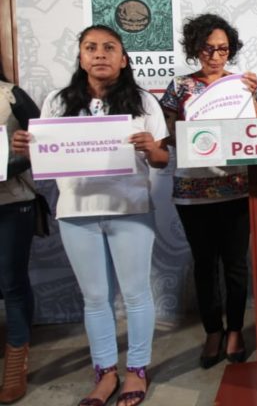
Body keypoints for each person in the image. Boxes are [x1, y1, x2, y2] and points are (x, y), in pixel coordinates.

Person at [12, 25, 168, 406]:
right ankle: (105, 374)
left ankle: (137, 370)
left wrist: (151, 148)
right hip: (76, 211)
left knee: (136, 294)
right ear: (81, 57)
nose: (100, 54)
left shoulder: (144, 102)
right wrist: (29, 150)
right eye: (91, 47)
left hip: (130, 209)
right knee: (95, 298)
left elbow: (163, 160)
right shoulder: (57, 102)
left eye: (109, 48)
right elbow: (45, 158)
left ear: (124, 59)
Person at [160, 14, 257, 369]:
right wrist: (197, 132)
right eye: (208, 49)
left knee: (236, 264)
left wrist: (253, 97)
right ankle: (212, 331)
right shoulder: (179, 86)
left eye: (223, 49)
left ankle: (235, 330)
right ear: (195, 48)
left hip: (236, 186)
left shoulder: (242, 84)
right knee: (204, 264)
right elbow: (170, 136)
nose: (216, 56)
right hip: (193, 189)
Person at [0, 65, 39, 404]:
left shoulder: (10, 95)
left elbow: (43, 145)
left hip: (12, 203)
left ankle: (16, 360)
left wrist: (6, 168)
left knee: (12, 282)